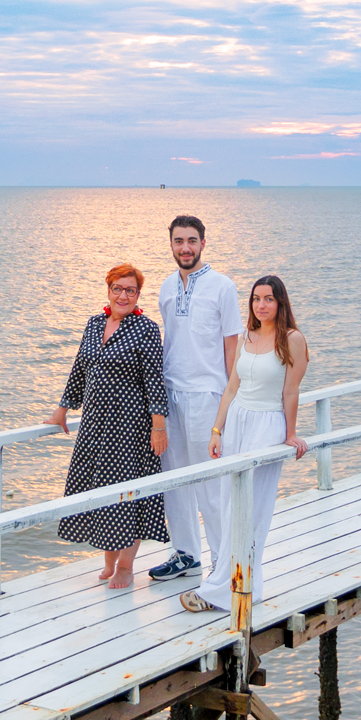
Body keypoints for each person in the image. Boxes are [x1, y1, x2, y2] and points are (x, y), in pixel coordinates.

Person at [180, 274, 309, 618]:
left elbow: (291, 391)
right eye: (256, 299)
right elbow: (232, 388)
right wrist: (217, 429)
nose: (261, 305)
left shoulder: (293, 339)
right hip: (236, 421)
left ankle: (223, 589)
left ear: (280, 303)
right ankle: (239, 581)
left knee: (251, 509)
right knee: (227, 504)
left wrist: (291, 433)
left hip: (267, 425)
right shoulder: (247, 337)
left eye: (268, 299)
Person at [49, 263, 171, 590]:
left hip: (129, 427)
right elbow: (79, 370)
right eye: (118, 288)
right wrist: (62, 410)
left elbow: (154, 380)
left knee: (127, 497)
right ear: (108, 290)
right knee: (101, 493)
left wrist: (158, 426)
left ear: (138, 295)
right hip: (94, 426)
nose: (123, 295)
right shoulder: (93, 324)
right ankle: (108, 562)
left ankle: (127, 567)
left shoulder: (145, 329)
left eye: (130, 290)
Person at [148, 215, 241, 584]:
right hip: (171, 394)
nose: (184, 248)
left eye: (191, 240)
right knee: (175, 479)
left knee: (212, 483)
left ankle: (222, 562)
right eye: (178, 241)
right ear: (170, 244)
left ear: (203, 242)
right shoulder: (167, 287)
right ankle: (186, 554)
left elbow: (231, 349)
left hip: (208, 394)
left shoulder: (223, 287)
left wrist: (230, 405)